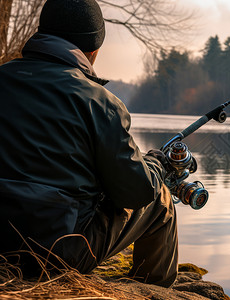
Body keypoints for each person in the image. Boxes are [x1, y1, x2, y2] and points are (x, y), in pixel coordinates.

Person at [0, 0, 178, 287]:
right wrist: (155, 167)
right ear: (93, 50)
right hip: (57, 254)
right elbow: (136, 193)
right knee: (160, 202)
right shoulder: (100, 103)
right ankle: (152, 291)